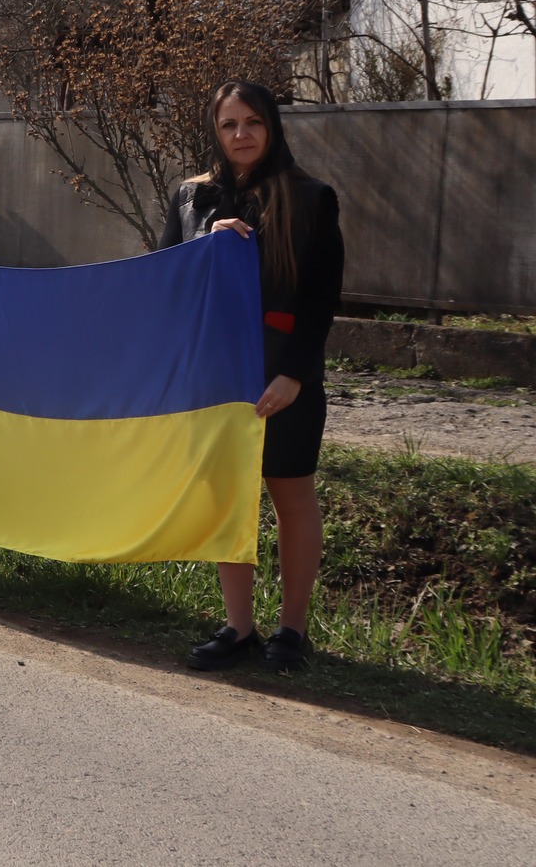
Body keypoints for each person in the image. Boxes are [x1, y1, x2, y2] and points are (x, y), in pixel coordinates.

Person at [169, 80, 345, 675]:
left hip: (283, 379)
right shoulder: (191, 198)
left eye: (253, 122)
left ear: (272, 126)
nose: (241, 134)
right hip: (215, 377)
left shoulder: (311, 197)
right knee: (229, 497)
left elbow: (321, 299)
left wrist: (294, 375)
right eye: (229, 124)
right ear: (215, 131)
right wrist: (204, 243)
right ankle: (238, 627)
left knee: (291, 495)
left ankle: (291, 631)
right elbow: (166, 277)